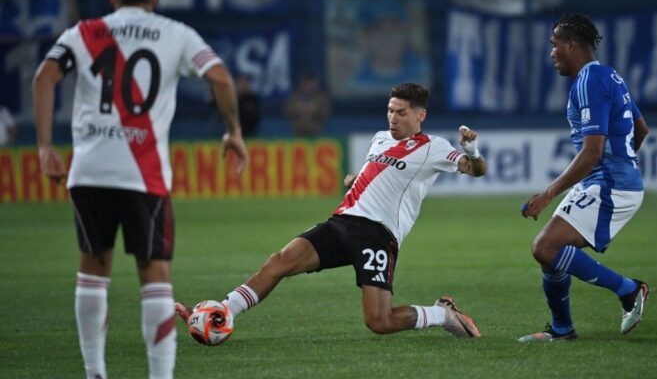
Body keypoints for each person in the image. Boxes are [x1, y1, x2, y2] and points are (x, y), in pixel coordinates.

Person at [32, 0, 247, 379]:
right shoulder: (177, 33)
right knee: (154, 276)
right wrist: (233, 130)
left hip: (89, 170)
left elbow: (44, 76)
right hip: (143, 174)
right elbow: (220, 78)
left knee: (93, 270)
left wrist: (43, 146)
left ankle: (95, 372)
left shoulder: (85, 32)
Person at [177, 83, 488, 338]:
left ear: (420, 115)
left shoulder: (432, 147)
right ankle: (223, 311)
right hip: (342, 223)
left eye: (401, 112)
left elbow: (476, 170)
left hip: (377, 236)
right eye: (390, 111)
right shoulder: (380, 139)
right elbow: (377, 175)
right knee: (280, 261)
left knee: (379, 322)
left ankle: (441, 314)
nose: (393, 118)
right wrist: (356, 180)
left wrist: (471, 150)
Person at [518, 14, 651, 342]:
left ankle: (629, 290)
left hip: (611, 184)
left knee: (545, 246)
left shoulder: (589, 82)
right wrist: (624, 161)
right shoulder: (610, 76)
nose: (551, 53)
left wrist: (548, 194)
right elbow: (641, 128)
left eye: (554, 45)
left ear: (571, 45)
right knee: (551, 253)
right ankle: (562, 329)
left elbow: (592, 151)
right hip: (608, 180)